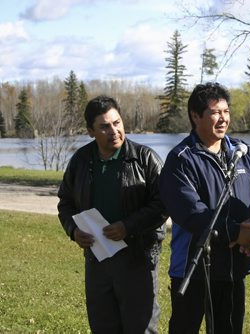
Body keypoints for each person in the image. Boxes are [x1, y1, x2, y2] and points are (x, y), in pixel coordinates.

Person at [159, 82, 250, 334]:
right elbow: (192, 214)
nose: (223, 119)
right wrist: (235, 232)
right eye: (215, 112)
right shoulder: (181, 160)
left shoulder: (242, 152)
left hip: (234, 267)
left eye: (226, 111)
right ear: (195, 116)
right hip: (194, 268)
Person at [57, 95, 167, 333]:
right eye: (105, 126)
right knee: (103, 326)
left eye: (117, 123)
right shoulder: (81, 160)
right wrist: (73, 231)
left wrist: (128, 226)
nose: (114, 131)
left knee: (141, 328)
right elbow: (65, 202)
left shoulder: (146, 159)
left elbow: (163, 204)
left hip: (138, 259)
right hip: (97, 261)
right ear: (90, 131)